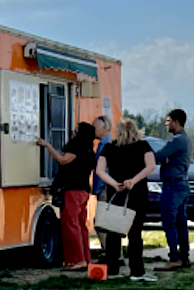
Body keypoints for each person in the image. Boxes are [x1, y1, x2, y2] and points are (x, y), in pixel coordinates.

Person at [96, 118, 157, 280]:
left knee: (113, 232)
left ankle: (112, 269)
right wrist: (133, 180)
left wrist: (115, 184)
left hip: (115, 194)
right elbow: (151, 166)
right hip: (136, 193)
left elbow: (100, 170)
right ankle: (137, 271)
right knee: (135, 233)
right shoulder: (143, 146)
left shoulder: (109, 147)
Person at [37, 122, 96, 270]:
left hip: (73, 190)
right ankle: (84, 258)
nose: (73, 132)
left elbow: (63, 160)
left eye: (76, 130)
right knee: (81, 225)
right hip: (84, 191)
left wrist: (47, 145)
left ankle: (77, 260)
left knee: (70, 224)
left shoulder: (76, 146)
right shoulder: (90, 150)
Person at [153, 109, 192, 271]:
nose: (166, 124)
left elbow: (158, 156)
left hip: (172, 185)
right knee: (181, 222)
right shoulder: (186, 140)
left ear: (176, 121)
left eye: (168, 121)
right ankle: (184, 256)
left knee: (169, 222)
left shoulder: (176, 140)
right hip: (182, 184)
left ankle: (174, 257)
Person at [92, 115, 113, 254]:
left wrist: (101, 187)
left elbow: (105, 169)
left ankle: (108, 251)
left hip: (105, 188)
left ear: (104, 127)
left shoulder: (107, 145)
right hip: (103, 188)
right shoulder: (102, 144)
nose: (93, 130)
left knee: (101, 222)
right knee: (105, 222)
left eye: (95, 127)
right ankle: (111, 251)